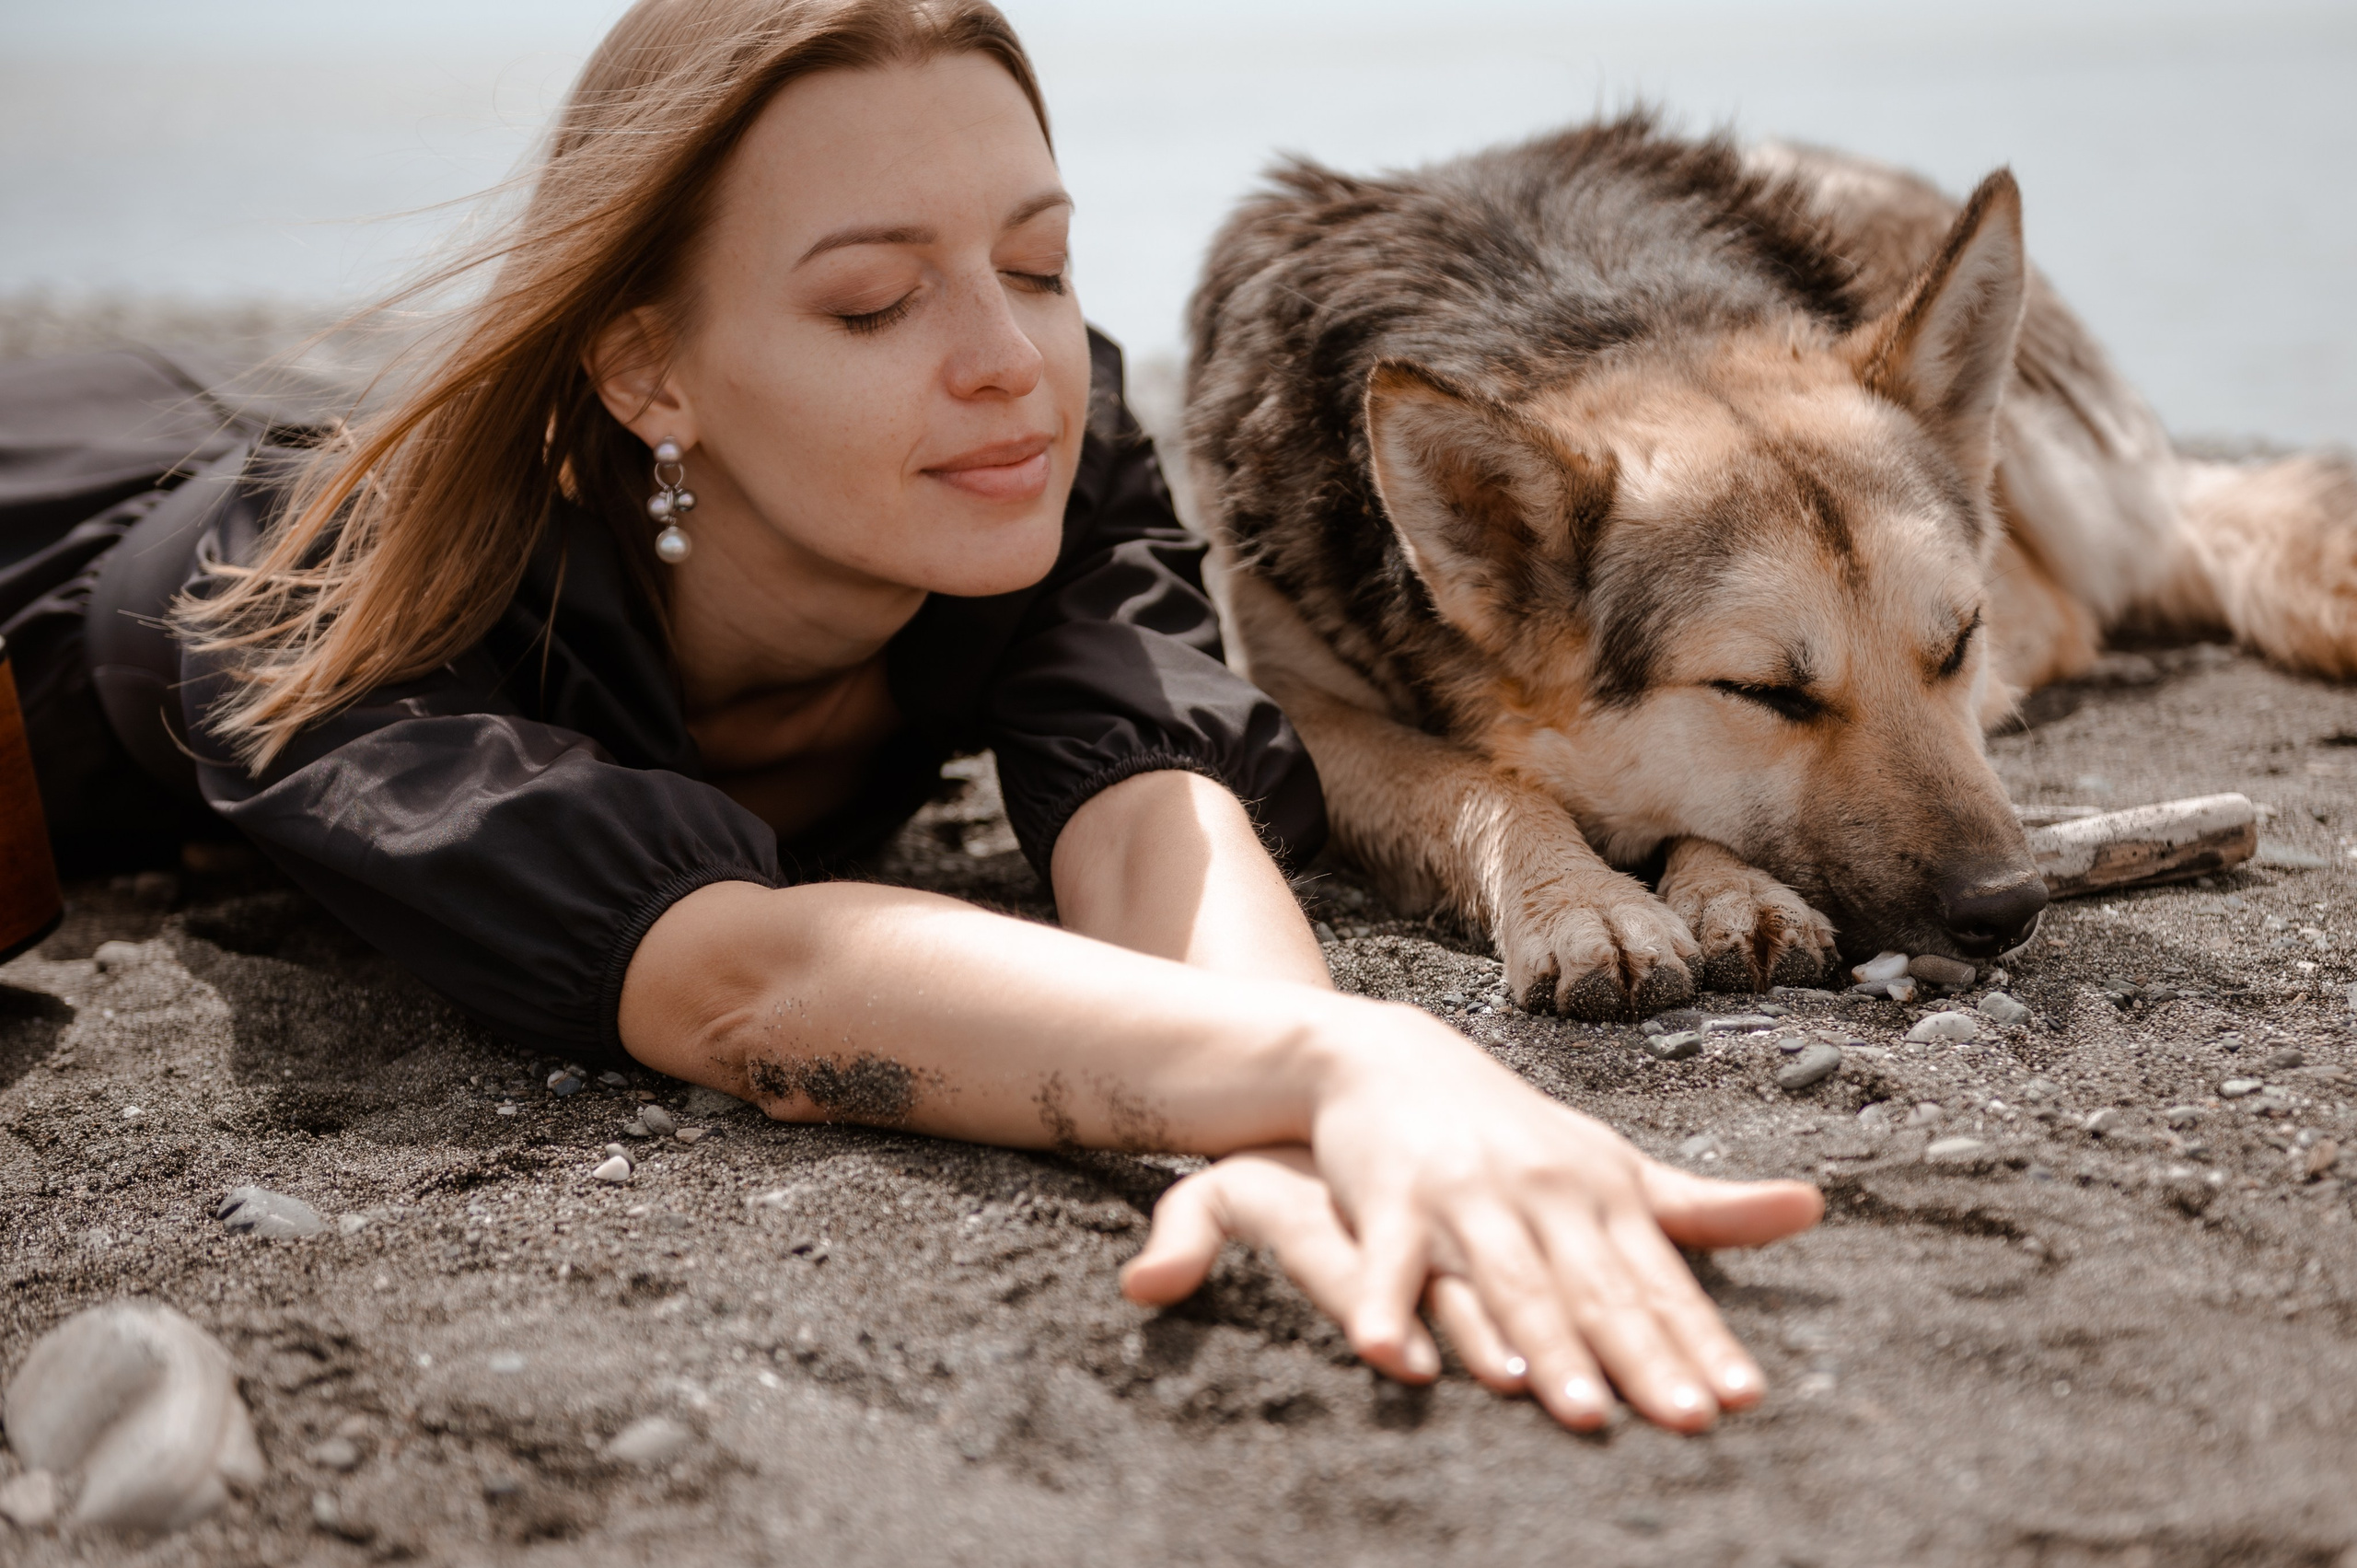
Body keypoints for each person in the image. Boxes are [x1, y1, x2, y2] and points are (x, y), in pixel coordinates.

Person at [0, 0, 1821, 1434]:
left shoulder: (1021, 448)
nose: (1001, 357)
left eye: (1032, 262)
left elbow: (1142, 790)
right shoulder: (316, 587)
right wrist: (1359, 1065)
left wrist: (1292, 1107)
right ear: (648, 367)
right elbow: (736, 981)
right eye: (872, 301)